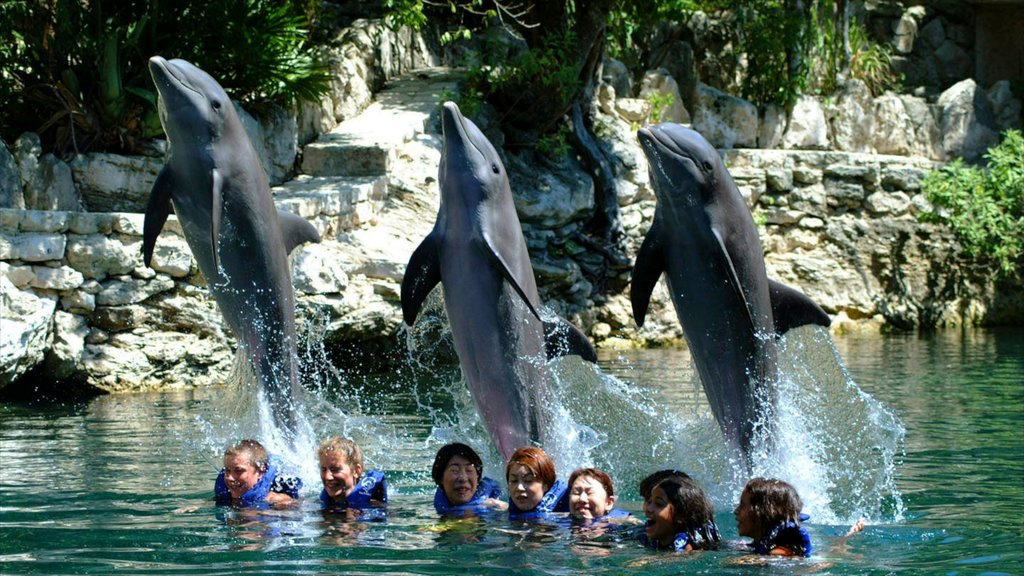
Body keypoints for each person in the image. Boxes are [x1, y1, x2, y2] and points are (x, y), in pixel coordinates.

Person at [638, 469, 720, 552]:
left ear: (681, 515)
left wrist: (648, 560)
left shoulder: (683, 540)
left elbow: (685, 555)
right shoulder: (655, 535)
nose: (648, 508)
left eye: (659, 504)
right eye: (649, 501)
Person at [734, 477, 812, 557]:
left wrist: (746, 560)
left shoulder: (785, 546)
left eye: (742, 505)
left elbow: (779, 558)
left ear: (763, 512)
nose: (736, 511)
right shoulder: (766, 540)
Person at [214, 439, 302, 508]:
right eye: (227, 470)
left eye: (239, 470)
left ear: (260, 471)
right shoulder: (225, 495)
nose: (230, 477)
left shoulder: (278, 501)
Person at [431, 442, 505, 515]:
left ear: (477, 477)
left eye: (469, 470)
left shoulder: (492, 505)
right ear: (440, 477)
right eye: (454, 470)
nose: (463, 478)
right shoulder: (441, 504)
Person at [318, 436, 387, 511]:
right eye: (323, 469)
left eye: (335, 469)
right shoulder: (318, 503)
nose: (327, 477)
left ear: (356, 471)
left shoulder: (375, 506)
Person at [505, 447, 570, 519]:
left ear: (546, 485)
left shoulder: (568, 515)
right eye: (514, 481)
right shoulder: (506, 513)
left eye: (528, 480)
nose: (519, 487)